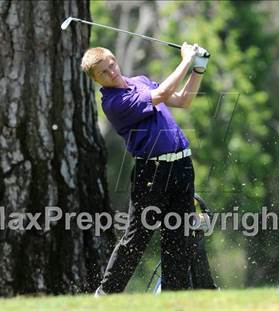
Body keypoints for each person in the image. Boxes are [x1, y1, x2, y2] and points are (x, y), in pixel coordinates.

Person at [80, 43, 208, 295]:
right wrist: (186, 60)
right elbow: (160, 95)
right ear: (96, 80)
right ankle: (106, 294)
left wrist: (197, 70)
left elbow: (182, 101)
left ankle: (174, 296)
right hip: (152, 174)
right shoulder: (115, 103)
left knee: (178, 236)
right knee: (137, 238)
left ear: (115, 60)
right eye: (104, 72)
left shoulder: (139, 81)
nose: (112, 72)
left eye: (112, 65)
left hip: (182, 165)